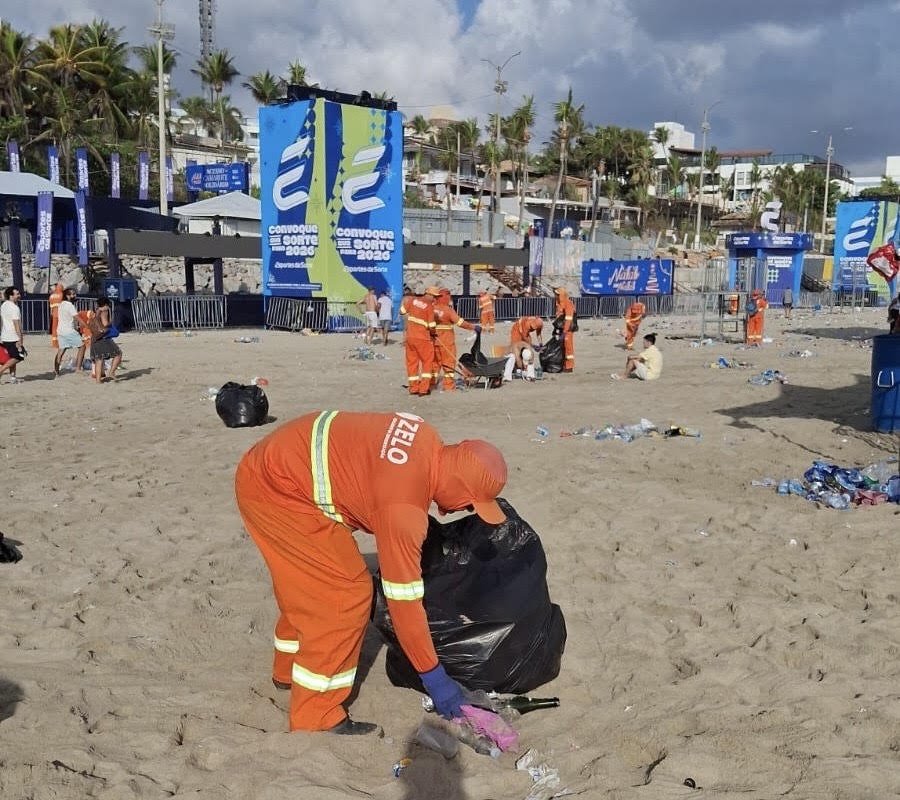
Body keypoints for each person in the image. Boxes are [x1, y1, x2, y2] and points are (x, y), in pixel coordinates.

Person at [234, 410, 508, 734]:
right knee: (344, 595)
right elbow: (403, 605)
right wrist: (435, 678)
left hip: (275, 463)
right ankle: (316, 717)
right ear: (460, 487)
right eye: (470, 503)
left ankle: (287, 671)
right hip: (277, 492)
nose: (464, 510)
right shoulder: (403, 510)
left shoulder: (425, 434)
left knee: (307, 582)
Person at [432, 288, 479, 392]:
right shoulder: (448, 310)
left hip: (434, 340)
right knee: (449, 364)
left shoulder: (432, 308)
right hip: (447, 341)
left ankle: (431, 384)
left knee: (434, 364)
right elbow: (460, 322)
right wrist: (473, 327)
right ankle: (449, 386)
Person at [399, 285, 438, 396]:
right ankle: (423, 389)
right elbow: (431, 325)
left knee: (412, 363)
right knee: (427, 362)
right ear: (429, 295)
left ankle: (413, 388)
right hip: (423, 338)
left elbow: (402, 311)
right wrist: (433, 333)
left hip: (410, 337)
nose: (435, 299)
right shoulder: (429, 306)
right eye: (434, 296)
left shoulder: (413, 300)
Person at [88, 297, 123, 383]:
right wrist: (111, 323)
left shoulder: (96, 311)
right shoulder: (104, 311)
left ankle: (98, 380)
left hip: (95, 337)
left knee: (99, 359)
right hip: (103, 337)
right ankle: (111, 372)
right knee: (118, 353)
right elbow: (105, 324)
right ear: (106, 304)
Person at [53, 287, 86, 376]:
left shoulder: (61, 304)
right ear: (67, 296)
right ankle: (78, 368)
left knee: (61, 351)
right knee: (82, 346)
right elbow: (77, 318)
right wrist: (87, 326)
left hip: (60, 330)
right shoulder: (70, 305)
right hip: (69, 331)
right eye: (73, 294)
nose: (75, 295)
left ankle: (56, 371)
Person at [1, 286, 25, 384]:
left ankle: (13, 377)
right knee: (19, 356)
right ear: (11, 296)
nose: (19, 295)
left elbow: (2, 321)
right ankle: (1, 371)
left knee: (12, 356)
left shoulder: (4, 305)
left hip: (5, 335)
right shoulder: (14, 308)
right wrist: (20, 339)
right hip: (13, 336)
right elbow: (16, 324)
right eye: (17, 294)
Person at [553, 286, 576, 372]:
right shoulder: (559, 303)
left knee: (568, 347)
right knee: (562, 347)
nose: (555, 296)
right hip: (561, 328)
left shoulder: (568, 303)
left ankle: (569, 366)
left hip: (567, 330)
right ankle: (563, 365)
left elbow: (568, 319)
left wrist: (565, 332)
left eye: (557, 294)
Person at [48, 282, 64, 349]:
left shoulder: (52, 296)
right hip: (61, 313)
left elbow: (51, 306)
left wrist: (51, 313)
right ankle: (61, 342)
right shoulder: (62, 295)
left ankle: (54, 343)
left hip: (54, 314)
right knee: (61, 328)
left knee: (54, 328)